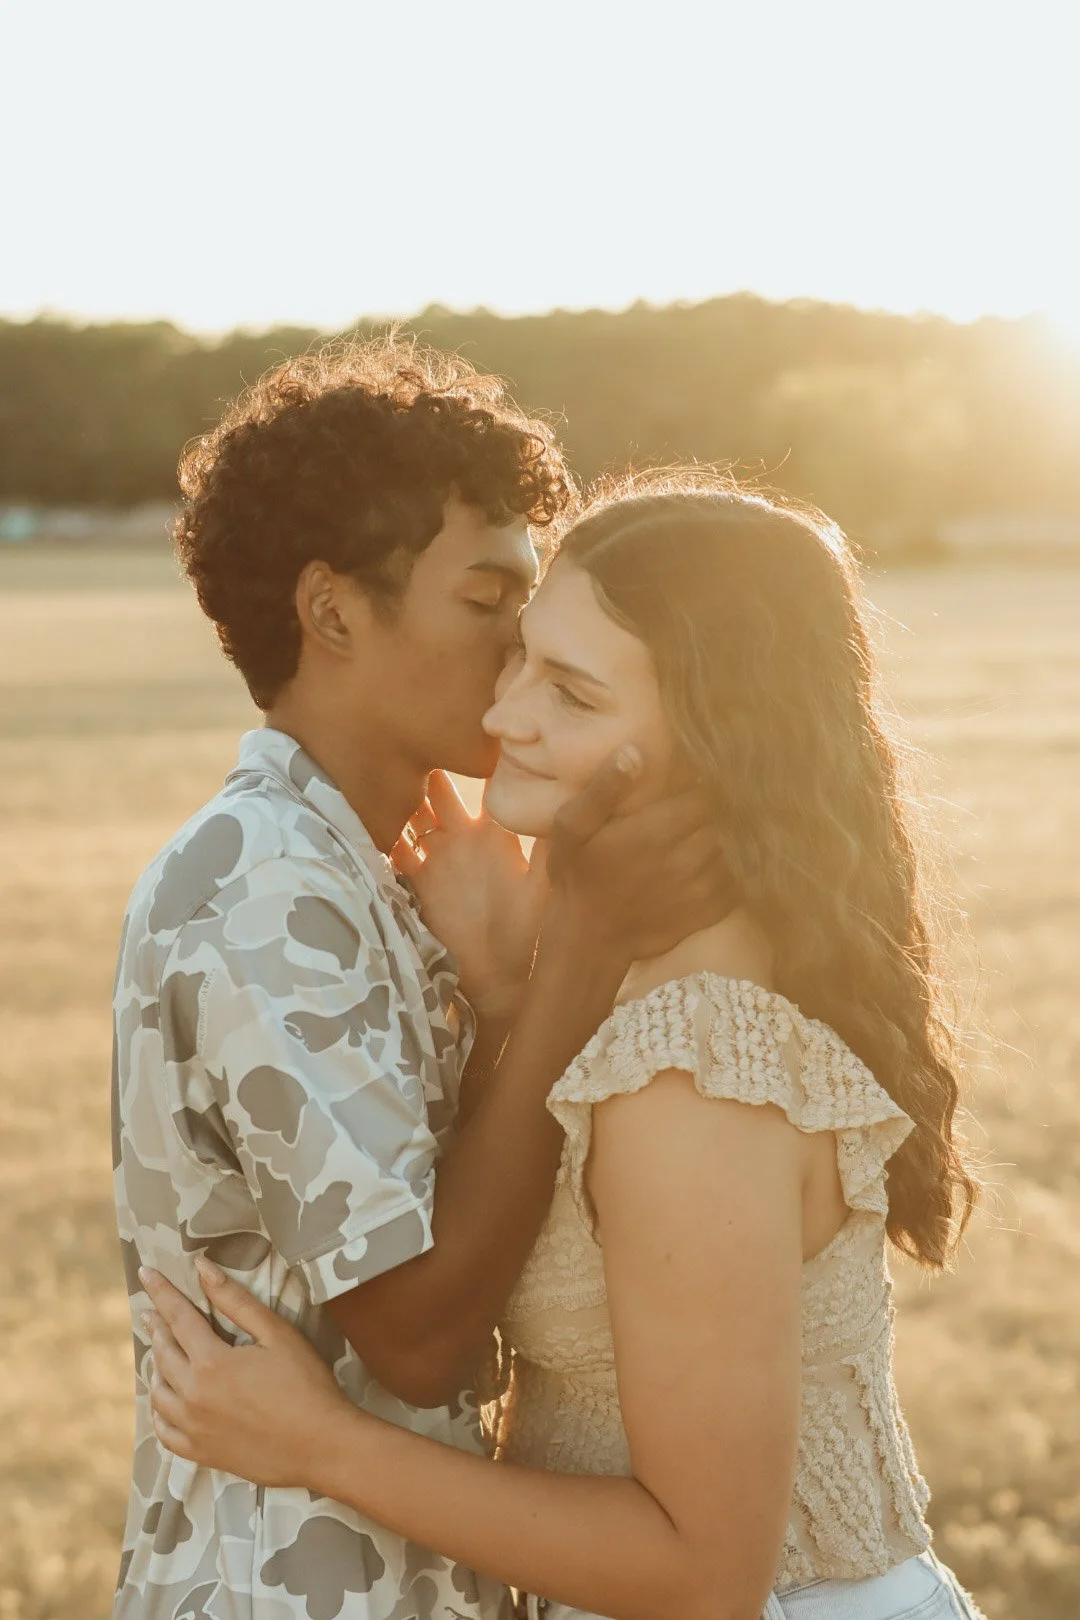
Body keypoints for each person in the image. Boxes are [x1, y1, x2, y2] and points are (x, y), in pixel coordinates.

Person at [143, 473, 988, 1620]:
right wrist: (509, 998)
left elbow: (705, 1572)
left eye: (574, 695)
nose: (504, 719)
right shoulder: (653, 997)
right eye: (522, 657)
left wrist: (320, 1446)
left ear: (718, 741)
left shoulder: (689, 1067)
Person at [112, 351, 728, 1620]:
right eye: (490, 596)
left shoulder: (390, 864)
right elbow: (418, 1333)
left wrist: (508, 995)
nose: (528, 640)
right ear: (334, 612)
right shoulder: (262, 885)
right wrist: (583, 953)